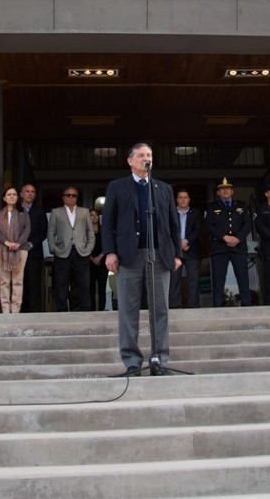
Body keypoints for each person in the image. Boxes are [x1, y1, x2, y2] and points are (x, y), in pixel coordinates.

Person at [101, 143, 181, 375]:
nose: (146, 159)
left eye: (149, 155)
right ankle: (132, 361)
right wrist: (110, 252)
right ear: (130, 160)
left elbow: (173, 224)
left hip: (159, 254)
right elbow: (107, 224)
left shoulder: (163, 188)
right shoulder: (117, 187)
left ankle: (160, 358)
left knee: (160, 309)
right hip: (128, 256)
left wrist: (177, 253)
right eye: (141, 155)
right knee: (128, 309)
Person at [205, 176, 253, 307]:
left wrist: (238, 238)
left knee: (243, 278)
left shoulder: (242, 206)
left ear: (232, 191)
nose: (225, 191)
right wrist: (224, 237)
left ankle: (247, 306)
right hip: (220, 248)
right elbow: (209, 226)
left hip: (238, 247)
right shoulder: (211, 207)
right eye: (222, 189)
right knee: (219, 280)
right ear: (218, 192)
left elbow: (247, 225)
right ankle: (218, 308)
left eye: (228, 189)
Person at [47, 186, 95, 312]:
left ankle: (85, 310)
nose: (71, 197)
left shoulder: (84, 212)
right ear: (63, 197)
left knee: (83, 283)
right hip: (62, 252)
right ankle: (62, 311)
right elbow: (51, 232)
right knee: (61, 284)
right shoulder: (56, 212)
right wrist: (53, 248)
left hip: (81, 251)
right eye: (69, 195)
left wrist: (89, 248)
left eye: (74, 195)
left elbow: (90, 231)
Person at [0, 186, 30, 313]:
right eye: (9, 194)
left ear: (18, 197)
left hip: (21, 249)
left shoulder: (23, 212)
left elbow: (27, 230)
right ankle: (6, 310)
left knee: (18, 280)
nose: (11, 196)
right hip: (2, 249)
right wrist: (6, 242)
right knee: (4, 280)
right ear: (4, 198)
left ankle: (16, 310)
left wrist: (18, 243)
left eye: (14, 194)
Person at [169, 188, 203, 309]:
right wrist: (179, 243)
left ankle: (193, 307)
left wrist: (187, 241)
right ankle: (174, 307)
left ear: (189, 199)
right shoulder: (171, 213)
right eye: (180, 197)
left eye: (185, 197)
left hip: (192, 250)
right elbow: (168, 231)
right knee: (174, 280)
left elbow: (197, 230)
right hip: (175, 251)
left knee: (193, 281)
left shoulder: (196, 213)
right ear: (176, 200)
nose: (183, 200)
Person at [19, 183, 47, 312]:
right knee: (19, 284)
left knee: (34, 284)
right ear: (21, 194)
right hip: (16, 253)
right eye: (27, 191)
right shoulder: (14, 210)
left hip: (33, 253)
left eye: (33, 192)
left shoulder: (40, 211)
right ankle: (21, 312)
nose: (30, 194)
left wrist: (30, 245)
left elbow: (43, 232)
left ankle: (35, 313)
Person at [87, 208, 108, 311]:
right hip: (89, 263)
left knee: (102, 288)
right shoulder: (86, 231)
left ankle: (101, 310)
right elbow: (83, 246)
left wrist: (100, 257)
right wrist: (91, 258)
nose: (94, 217)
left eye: (96, 215)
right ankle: (91, 310)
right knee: (91, 289)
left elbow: (107, 245)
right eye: (91, 215)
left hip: (102, 262)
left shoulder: (104, 230)